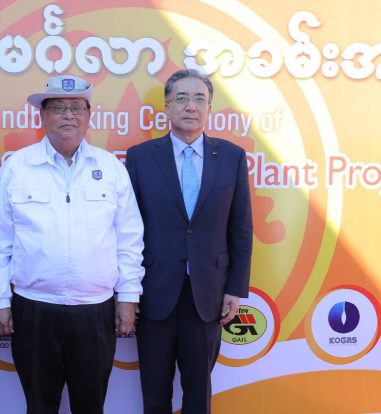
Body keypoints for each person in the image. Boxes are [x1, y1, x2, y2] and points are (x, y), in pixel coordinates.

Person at [0, 75, 145, 414]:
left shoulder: (111, 169)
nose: (68, 115)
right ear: (42, 115)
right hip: (35, 308)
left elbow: (129, 239)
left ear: (89, 116)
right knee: (40, 405)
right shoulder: (17, 168)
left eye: (76, 108)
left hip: (95, 310)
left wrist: (128, 297)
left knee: (91, 405)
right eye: (58, 108)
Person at [125, 68, 253, 414]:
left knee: (199, 393)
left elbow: (240, 228)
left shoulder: (231, 156)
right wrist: (127, 290)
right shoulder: (139, 157)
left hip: (208, 294)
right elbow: (125, 228)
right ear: (166, 106)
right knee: (154, 393)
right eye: (181, 97)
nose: (190, 106)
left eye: (200, 98)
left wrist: (235, 288)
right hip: (153, 292)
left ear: (209, 107)